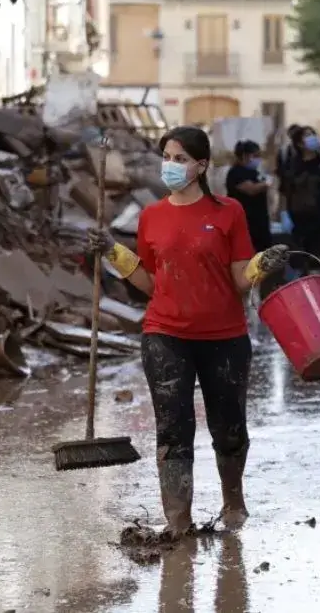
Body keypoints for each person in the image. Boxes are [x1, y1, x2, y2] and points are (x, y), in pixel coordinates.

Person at [86, 126, 290, 536]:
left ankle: (233, 500)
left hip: (225, 337)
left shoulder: (228, 212)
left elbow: (237, 280)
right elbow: (149, 283)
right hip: (165, 334)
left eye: (180, 159)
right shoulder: (152, 216)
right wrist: (112, 251)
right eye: (167, 156)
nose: (171, 165)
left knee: (229, 428)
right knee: (174, 429)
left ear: (201, 166)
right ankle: (178, 521)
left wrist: (261, 266)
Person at [282, 126, 320, 277]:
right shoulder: (293, 165)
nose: (312, 138)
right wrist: (284, 213)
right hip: (300, 217)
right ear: (299, 143)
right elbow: (285, 190)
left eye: (313, 134)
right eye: (307, 136)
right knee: (301, 257)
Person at [226, 140, 273, 253]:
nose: (258, 159)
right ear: (244, 155)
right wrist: (267, 183)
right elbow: (251, 189)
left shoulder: (255, 172)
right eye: (255, 155)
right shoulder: (236, 172)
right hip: (245, 221)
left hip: (260, 220)